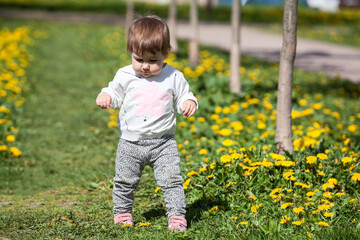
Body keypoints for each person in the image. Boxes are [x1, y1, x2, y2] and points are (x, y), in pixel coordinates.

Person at [96, 15, 198, 231]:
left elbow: (183, 96)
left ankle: (177, 216)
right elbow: (113, 93)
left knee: (172, 180)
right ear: (131, 51)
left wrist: (188, 102)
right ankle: (123, 213)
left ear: (166, 54)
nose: (145, 66)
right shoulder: (125, 75)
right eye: (139, 59)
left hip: (163, 143)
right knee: (124, 181)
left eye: (153, 61)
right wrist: (106, 97)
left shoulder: (173, 76)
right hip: (130, 144)